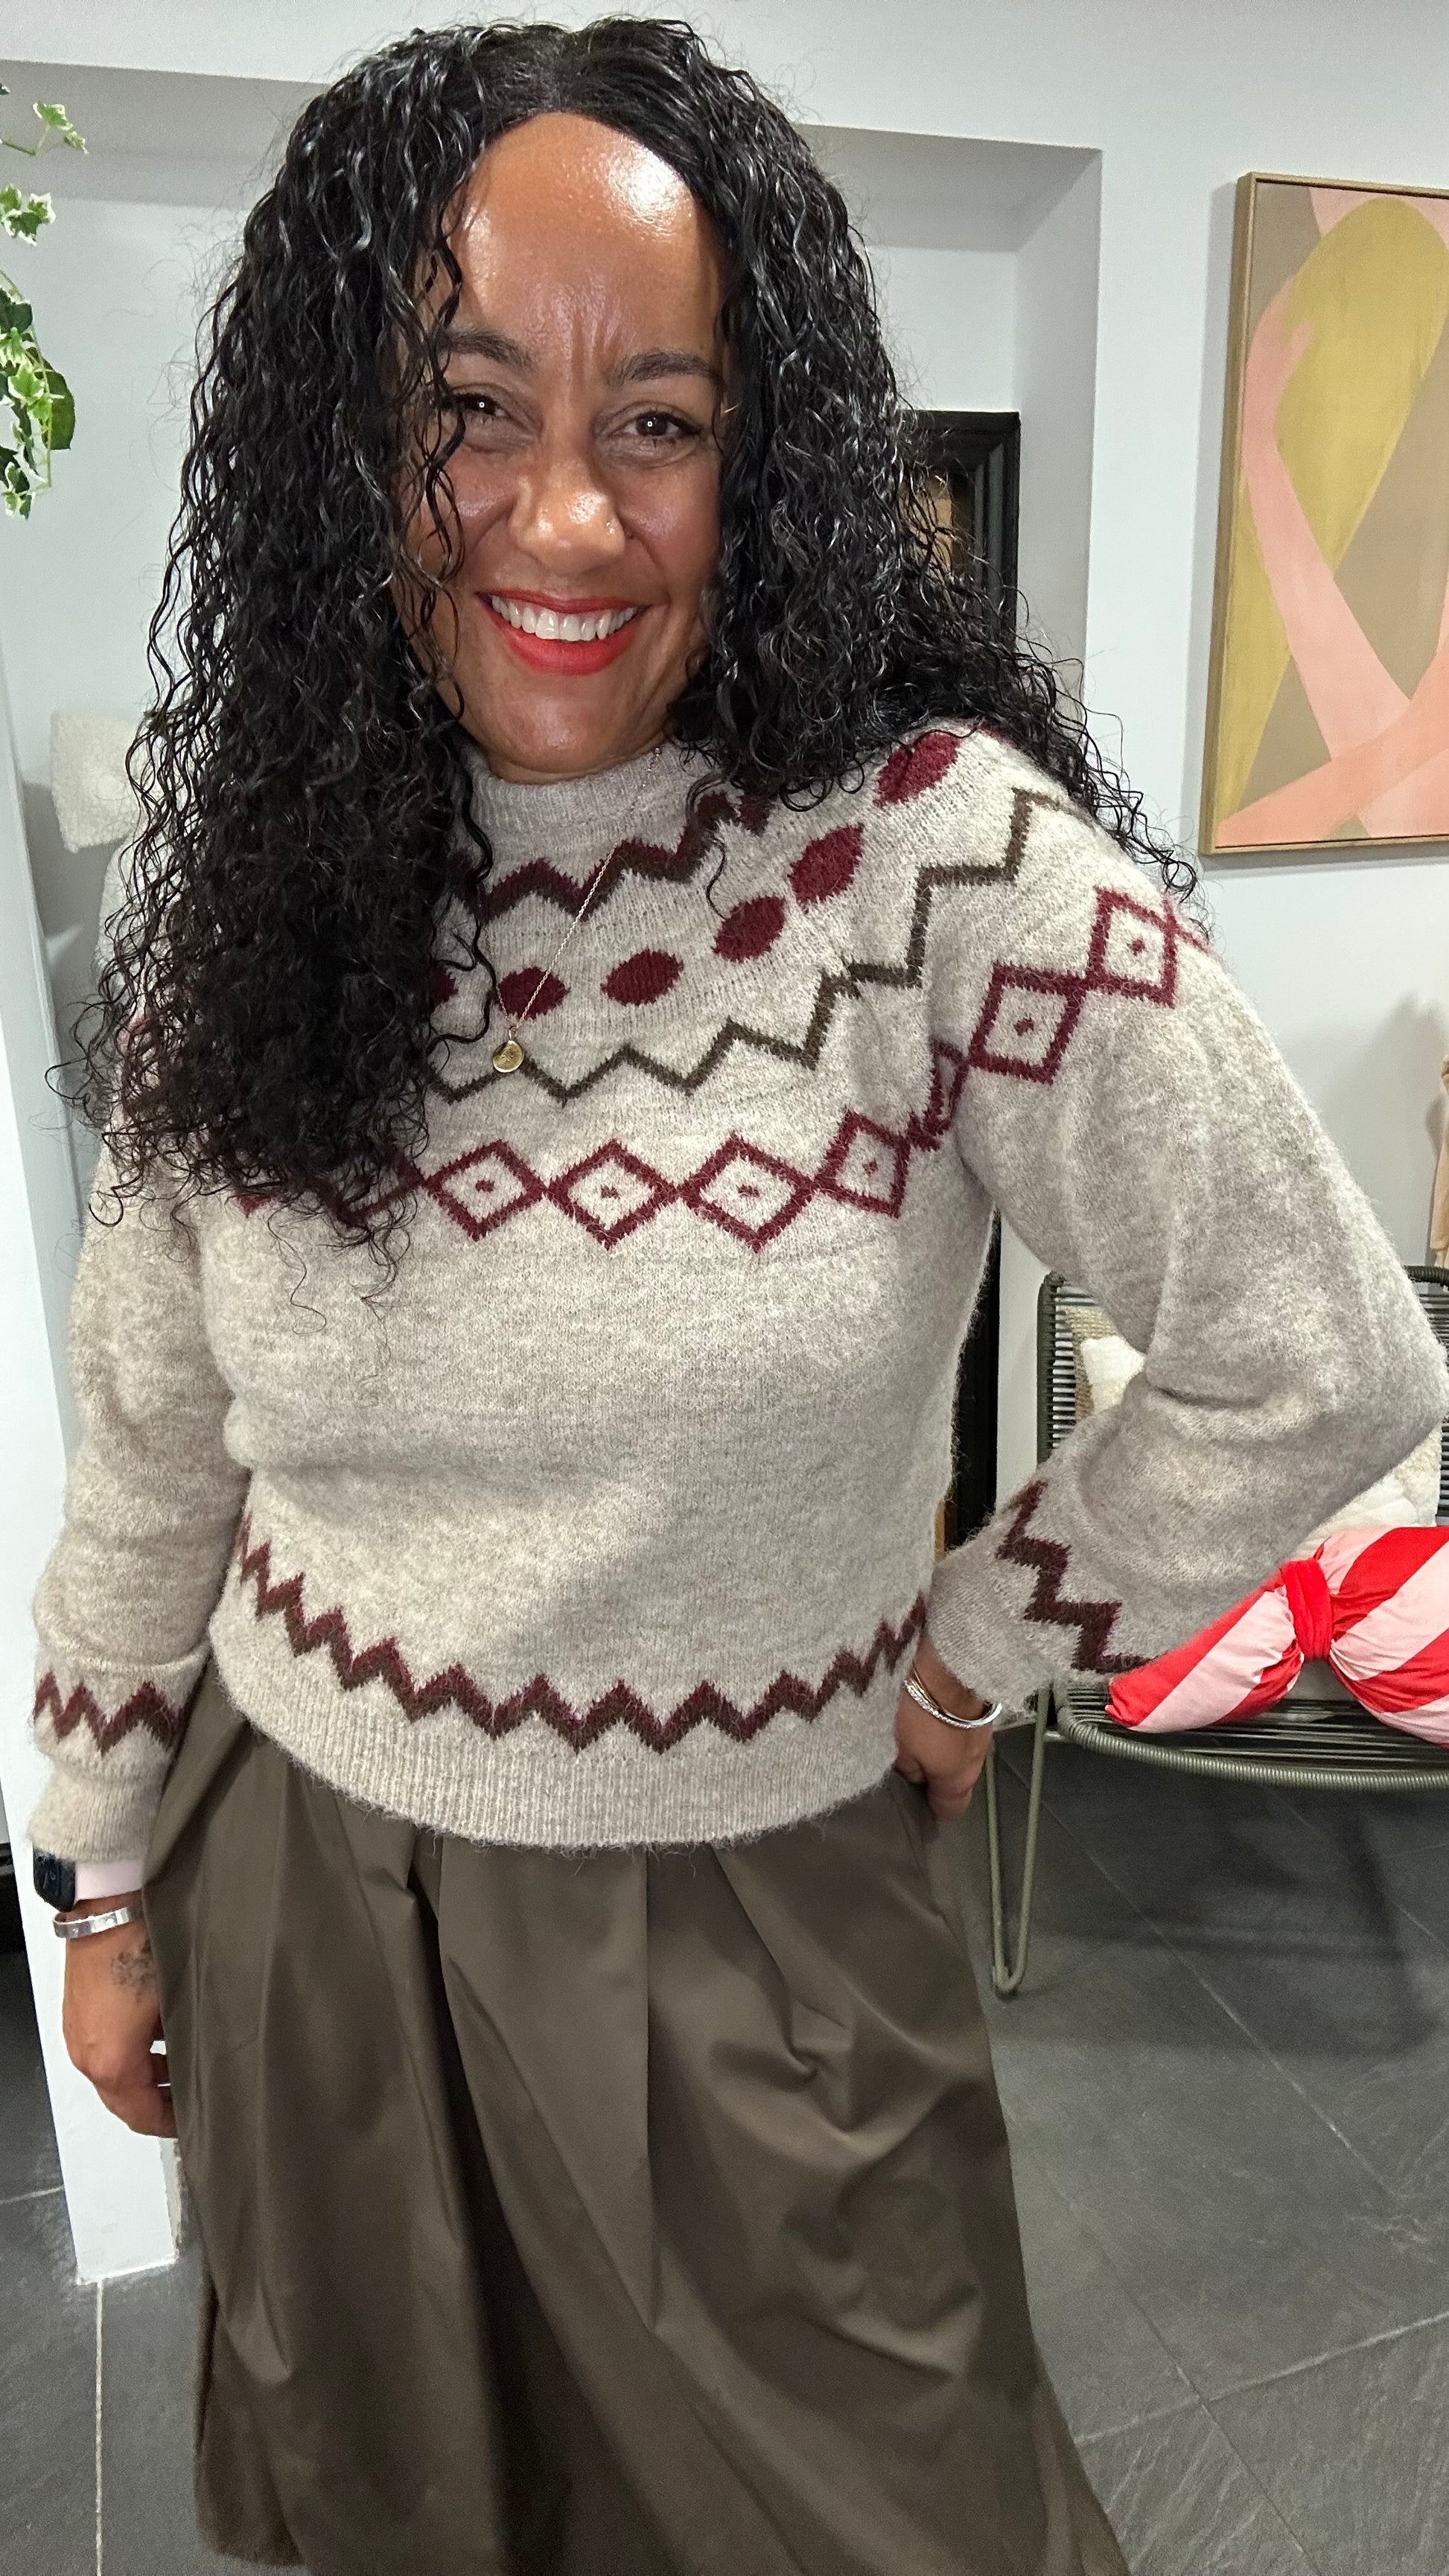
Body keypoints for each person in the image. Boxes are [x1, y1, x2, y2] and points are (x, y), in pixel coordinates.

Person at [26, 19, 1446, 2576]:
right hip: (307, 1898)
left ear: (759, 456)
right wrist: (100, 1875)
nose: (564, 511)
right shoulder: (256, 892)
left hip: (753, 1942)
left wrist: (973, 1645)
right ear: (355, 440)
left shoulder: (932, 872)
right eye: (473, 407)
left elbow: (1315, 1350)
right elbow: (149, 1437)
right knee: (405, 2517)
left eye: (657, 422)